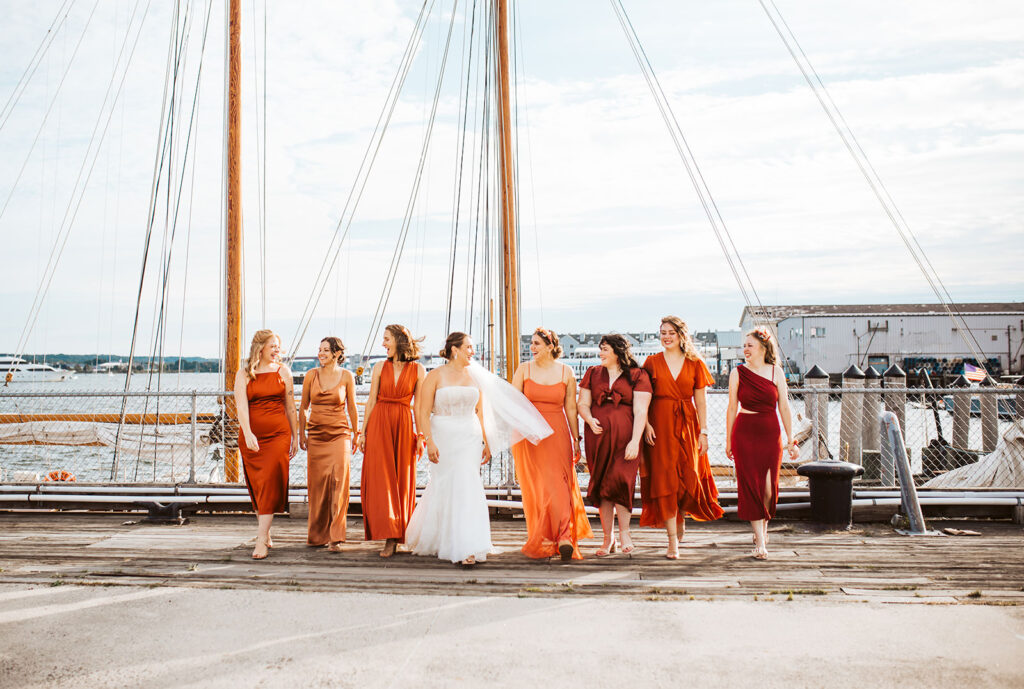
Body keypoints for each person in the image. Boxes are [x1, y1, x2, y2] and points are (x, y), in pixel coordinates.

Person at [407, 332, 551, 566]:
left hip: (469, 435)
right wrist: (429, 441)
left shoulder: (475, 376)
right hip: (443, 434)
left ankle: (468, 545)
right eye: (469, 347)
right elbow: (423, 412)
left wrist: (487, 441)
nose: (472, 351)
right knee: (445, 484)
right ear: (454, 350)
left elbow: (482, 413)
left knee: (468, 485)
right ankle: (442, 536)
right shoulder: (435, 376)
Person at [641, 316, 723, 559]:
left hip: (688, 425)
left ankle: (681, 519)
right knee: (665, 479)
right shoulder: (652, 362)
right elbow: (642, 397)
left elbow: (701, 401)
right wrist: (645, 424)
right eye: (662, 332)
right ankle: (671, 541)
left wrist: (704, 432)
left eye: (671, 333)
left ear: (681, 335)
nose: (666, 337)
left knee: (687, 477)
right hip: (660, 426)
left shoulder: (695, 363)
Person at [510, 328, 593, 561]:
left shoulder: (566, 372)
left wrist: (576, 440)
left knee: (560, 484)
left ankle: (564, 536)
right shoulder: (523, 370)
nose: (532, 348)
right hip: (529, 435)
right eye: (531, 344)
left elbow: (571, 408)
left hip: (557, 433)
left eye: (537, 343)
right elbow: (513, 403)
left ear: (550, 346)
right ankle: (546, 535)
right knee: (537, 487)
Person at [726, 326, 799, 560]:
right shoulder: (737, 373)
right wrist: (728, 440)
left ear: (762, 347)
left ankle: (763, 529)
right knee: (750, 485)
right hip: (745, 431)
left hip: (770, 432)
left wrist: (791, 439)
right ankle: (759, 539)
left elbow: (785, 407)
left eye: (750, 345)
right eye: (744, 345)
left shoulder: (776, 372)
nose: (745, 349)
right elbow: (731, 408)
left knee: (768, 487)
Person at [578, 334, 652, 557]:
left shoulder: (638, 375)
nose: (600, 353)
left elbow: (641, 411)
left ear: (618, 352)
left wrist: (634, 441)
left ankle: (625, 534)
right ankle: (608, 538)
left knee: (621, 481)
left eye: (605, 349)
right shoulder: (593, 373)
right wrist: (590, 420)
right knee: (602, 485)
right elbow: (582, 403)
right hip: (598, 437)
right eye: (600, 349)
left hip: (625, 439)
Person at [357, 324, 426, 558]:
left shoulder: (418, 370)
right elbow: (370, 403)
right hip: (379, 424)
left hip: (404, 425)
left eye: (386, 339)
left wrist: (421, 436)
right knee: (381, 479)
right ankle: (388, 534)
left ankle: (398, 534)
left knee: (401, 480)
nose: (383, 344)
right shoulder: (378, 367)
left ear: (398, 340)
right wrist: (362, 432)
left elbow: (420, 407)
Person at [233, 329, 298, 560]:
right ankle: (265, 530)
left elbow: (291, 407)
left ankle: (261, 540)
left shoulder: (284, 372)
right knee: (260, 486)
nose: (277, 350)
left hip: (279, 436)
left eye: (278, 346)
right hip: (252, 437)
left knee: (271, 481)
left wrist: (296, 436)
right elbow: (241, 407)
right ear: (260, 348)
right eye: (273, 346)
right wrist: (248, 433)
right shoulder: (244, 373)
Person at [299, 337, 357, 552]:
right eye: (319, 349)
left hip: (340, 434)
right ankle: (318, 535)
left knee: (339, 482)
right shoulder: (310, 375)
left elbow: (352, 408)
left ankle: (336, 536)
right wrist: (301, 433)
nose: (321, 353)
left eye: (325, 350)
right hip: (315, 434)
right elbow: (303, 406)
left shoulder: (346, 376)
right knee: (318, 486)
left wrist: (357, 433)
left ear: (336, 353)